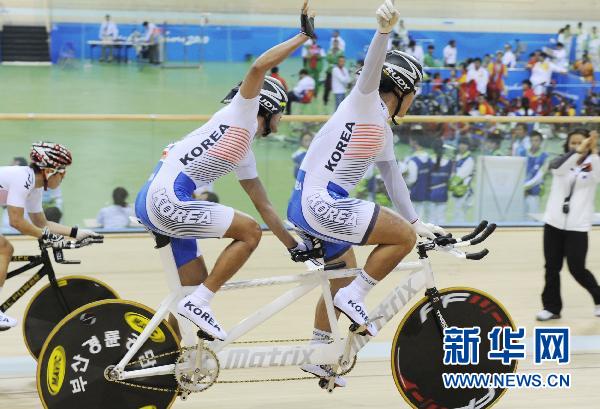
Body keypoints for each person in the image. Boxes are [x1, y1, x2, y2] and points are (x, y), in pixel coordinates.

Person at [134, 0, 317, 341]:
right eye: (281, 113)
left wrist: (293, 245)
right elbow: (259, 66)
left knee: (191, 292)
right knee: (249, 233)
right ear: (268, 108)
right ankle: (200, 303)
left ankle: (167, 350)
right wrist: (302, 37)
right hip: (169, 200)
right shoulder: (243, 112)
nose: (281, 120)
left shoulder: (244, 149)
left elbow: (265, 206)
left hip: (156, 198)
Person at [287, 0, 445, 386]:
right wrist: (383, 32)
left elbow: (393, 178)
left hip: (309, 202)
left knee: (340, 277)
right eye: (414, 92)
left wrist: (416, 221)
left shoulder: (382, 128)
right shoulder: (364, 101)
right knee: (399, 241)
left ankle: (319, 354)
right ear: (402, 89)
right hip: (322, 201)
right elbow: (372, 70)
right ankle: (356, 296)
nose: (415, 100)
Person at [0, 142, 101, 330]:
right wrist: (49, 238)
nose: (64, 176)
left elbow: (41, 223)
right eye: (62, 172)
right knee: (4, 249)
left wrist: (76, 233)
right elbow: (16, 221)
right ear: (49, 171)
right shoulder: (23, 179)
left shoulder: (35, 186)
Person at [537, 129, 600, 321]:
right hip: (553, 224)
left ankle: (599, 299)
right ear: (567, 144)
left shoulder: (594, 163)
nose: (577, 145)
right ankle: (551, 308)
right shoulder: (562, 161)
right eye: (573, 142)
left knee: (577, 268)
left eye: (581, 142)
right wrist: (577, 152)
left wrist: (593, 151)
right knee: (551, 268)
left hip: (577, 227)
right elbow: (556, 169)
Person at [405, 132, 432, 221]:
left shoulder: (413, 160)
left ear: (414, 142)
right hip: (426, 192)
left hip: (414, 193)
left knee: (413, 220)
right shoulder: (428, 157)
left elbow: (411, 180)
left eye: (410, 141)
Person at [449, 137, 474, 223]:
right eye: (461, 144)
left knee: (461, 214)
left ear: (468, 146)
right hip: (456, 190)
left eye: (465, 144)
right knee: (456, 212)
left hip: (464, 190)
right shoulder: (456, 157)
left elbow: (461, 175)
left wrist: (451, 184)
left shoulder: (469, 159)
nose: (462, 146)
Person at [523, 131, 548, 216]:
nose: (534, 143)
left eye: (536, 140)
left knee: (533, 216)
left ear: (541, 142)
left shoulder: (545, 156)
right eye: (532, 140)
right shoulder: (523, 153)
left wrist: (525, 187)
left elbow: (540, 176)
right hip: (521, 192)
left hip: (535, 192)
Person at [428, 139, 452, 225]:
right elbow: (449, 177)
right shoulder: (448, 161)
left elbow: (427, 178)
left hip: (431, 192)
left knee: (431, 218)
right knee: (442, 218)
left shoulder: (430, 160)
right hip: (443, 192)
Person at [323, 39, 344, 105]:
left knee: (338, 85)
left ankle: (339, 100)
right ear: (333, 44)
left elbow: (341, 60)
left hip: (337, 70)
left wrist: (335, 62)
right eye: (334, 43)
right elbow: (327, 58)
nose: (335, 44)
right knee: (327, 86)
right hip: (330, 70)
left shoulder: (341, 51)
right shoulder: (330, 51)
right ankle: (325, 100)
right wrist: (332, 61)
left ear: (338, 44)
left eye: (336, 43)